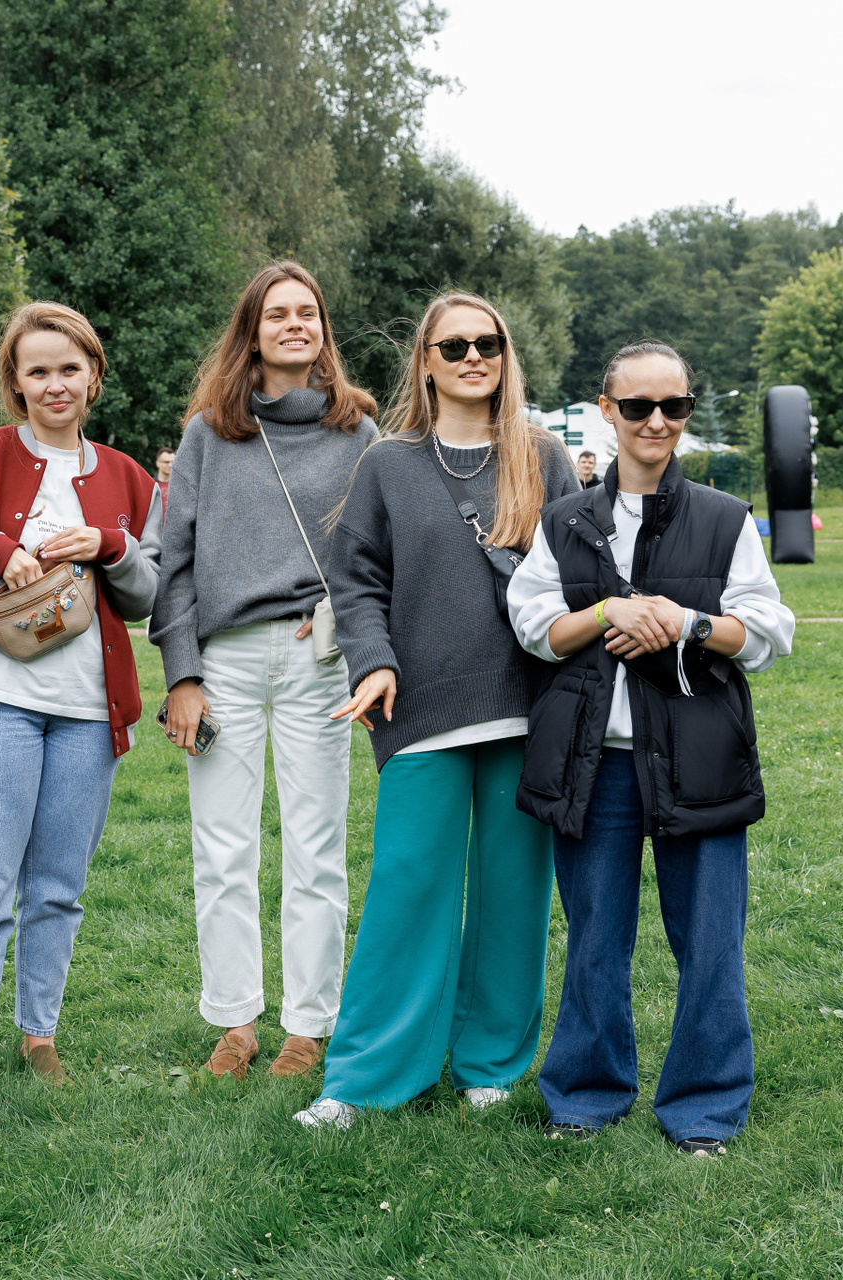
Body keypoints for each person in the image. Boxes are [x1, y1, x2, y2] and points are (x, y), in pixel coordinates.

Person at [293, 292, 579, 1130]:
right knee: (407, 887)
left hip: (528, 706)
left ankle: (490, 1064)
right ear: (425, 361)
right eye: (453, 346)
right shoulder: (388, 463)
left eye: (487, 343)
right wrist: (374, 660)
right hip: (418, 707)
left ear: (506, 355)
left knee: (514, 894)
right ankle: (363, 1079)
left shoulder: (543, 456)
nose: (472, 357)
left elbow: (579, 571)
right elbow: (355, 580)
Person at [508, 340, 794, 1154]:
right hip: (592, 761)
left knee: (709, 942)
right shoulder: (564, 522)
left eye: (675, 406)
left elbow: (769, 631)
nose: (658, 421)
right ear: (608, 411)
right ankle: (585, 1097)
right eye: (638, 406)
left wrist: (686, 623)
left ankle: (704, 1110)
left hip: (699, 755)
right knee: (595, 937)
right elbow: (532, 626)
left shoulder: (724, 518)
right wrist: (608, 614)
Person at [0, 302, 162, 1097]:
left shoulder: (129, 478)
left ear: (93, 376)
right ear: (15, 383)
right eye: (38, 371)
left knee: (58, 887)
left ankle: (38, 1034)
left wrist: (112, 546)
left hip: (88, 711)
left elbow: (150, 594)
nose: (56, 384)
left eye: (69, 368)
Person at [150, 262, 379, 1080]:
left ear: (323, 329)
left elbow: (379, 551)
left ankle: (309, 1027)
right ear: (252, 331)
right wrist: (182, 675)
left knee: (317, 846)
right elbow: (174, 561)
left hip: (318, 658)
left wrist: (350, 619)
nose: (293, 325)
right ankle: (236, 1023)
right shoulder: (210, 434)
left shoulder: (359, 432)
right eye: (276, 314)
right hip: (226, 661)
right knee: (222, 848)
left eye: (306, 312)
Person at [153, 447, 175, 521]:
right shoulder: (150, 486)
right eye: (166, 462)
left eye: (173, 462)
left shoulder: (180, 487)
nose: (170, 465)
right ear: (157, 463)